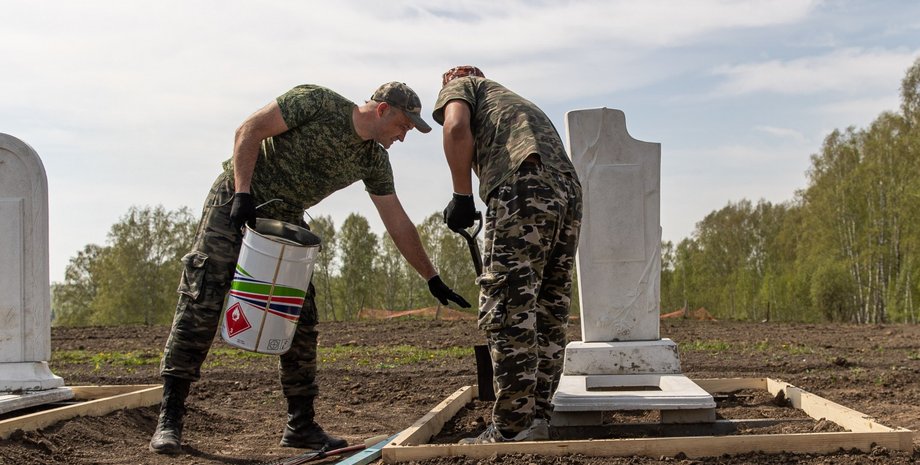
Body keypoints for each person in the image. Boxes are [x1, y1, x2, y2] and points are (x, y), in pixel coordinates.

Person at [149, 81, 471, 454]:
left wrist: (431, 277)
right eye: (403, 126)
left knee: (300, 313)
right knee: (203, 294)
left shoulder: (373, 160)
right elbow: (248, 131)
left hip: (285, 217)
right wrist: (242, 193)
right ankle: (170, 419)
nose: (403, 136)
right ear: (383, 110)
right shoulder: (317, 102)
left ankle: (300, 425)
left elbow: (397, 221)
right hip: (238, 201)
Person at [432, 66, 583, 444]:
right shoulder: (513, 101)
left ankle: (512, 428)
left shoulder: (462, 85)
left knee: (509, 306)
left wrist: (462, 196)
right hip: (568, 190)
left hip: (523, 183)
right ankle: (536, 418)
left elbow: (454, 127)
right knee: (548, 307)